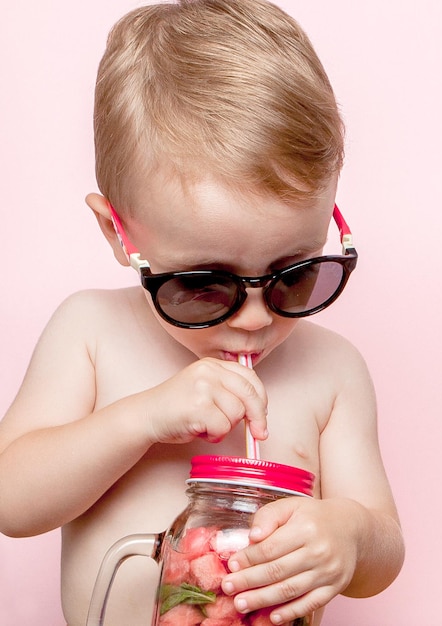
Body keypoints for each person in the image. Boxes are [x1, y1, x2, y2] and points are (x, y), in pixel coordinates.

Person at [0, 1, 404, 624]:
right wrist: (143, 417)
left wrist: (348, 537)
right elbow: (10, 500)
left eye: (293, 274)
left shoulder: (333, 372)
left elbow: (384, 549)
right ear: (118, 234)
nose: (252, 319)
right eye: (201, 285)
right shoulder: (90, 334)